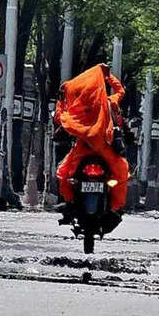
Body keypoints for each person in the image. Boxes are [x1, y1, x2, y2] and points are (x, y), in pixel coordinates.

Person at [54, 64, 129, 228]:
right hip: (105, 149)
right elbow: (121, 92)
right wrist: (109, 76)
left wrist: (60, 100)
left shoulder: (78, 108)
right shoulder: (110, 103)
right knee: (121, 174)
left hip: (83, 149)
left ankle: (68, 202)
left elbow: (60, 117)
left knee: (63, 173)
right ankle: (115, 208)